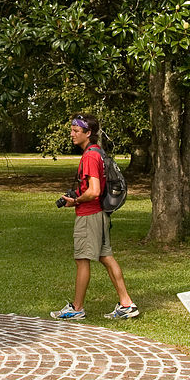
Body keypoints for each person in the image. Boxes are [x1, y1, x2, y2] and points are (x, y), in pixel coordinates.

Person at [50, 114, 139, 322]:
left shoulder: (90, 156)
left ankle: (77, 308)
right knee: (106, 257)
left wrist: (75, 201)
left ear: (88, 133)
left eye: (76, 131)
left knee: (82, 260)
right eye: (71, 130)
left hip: (89, 214)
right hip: (100, 214)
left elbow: (94, 191)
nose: (71, 134)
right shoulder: (98, 152)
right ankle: (127, 304)